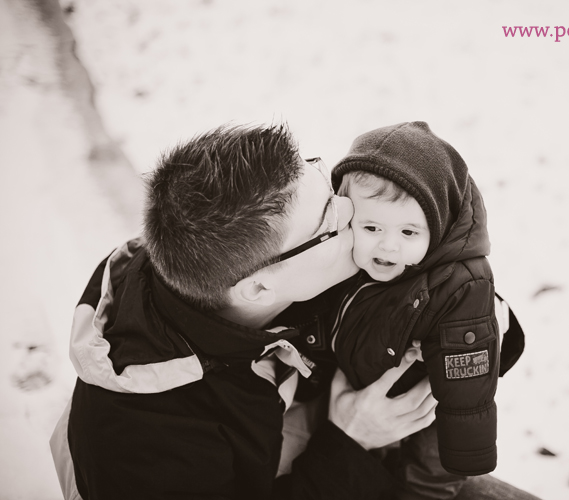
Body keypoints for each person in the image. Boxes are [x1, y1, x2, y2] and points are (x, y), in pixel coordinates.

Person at [49, 124, 438, 500]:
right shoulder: (144, 448)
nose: (350, 206)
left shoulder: (232, 269)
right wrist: (351, 442)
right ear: (259, 288)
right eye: (328, 219)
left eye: (319, 174)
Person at [327, 121, 526, 499]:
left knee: (428, 466)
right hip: (360, 391)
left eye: (408, 233)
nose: (387, 248)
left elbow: (468, 388)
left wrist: (465, 453)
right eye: (371, 227)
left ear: (438, 230)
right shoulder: (346, 259)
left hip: (431, 403)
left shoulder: (459, 289)